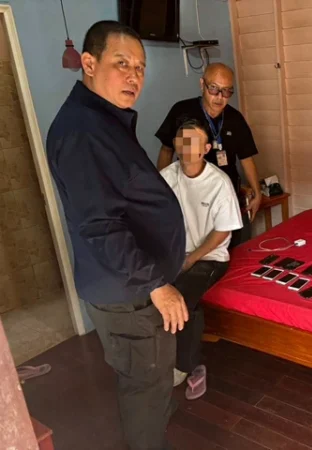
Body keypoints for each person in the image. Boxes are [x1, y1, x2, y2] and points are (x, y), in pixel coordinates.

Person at [46, 21, 188, 450]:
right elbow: (100, 226)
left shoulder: (102, 121)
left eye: (140, 68)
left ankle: (152, 428)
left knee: (151, 377)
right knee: (145, 383)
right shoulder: (83, 132)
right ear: (89, 63)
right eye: (121, 63)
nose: (134, 76)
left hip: (134, 287)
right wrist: (157, 284)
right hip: (130, 292)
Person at [160, 119, 243, 399]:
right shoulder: (166, 178)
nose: (186, 146)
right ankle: (156, 361)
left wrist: (190, 259)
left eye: (193, 141)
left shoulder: (219, 182)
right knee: (151, 292)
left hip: (210, 256)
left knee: (182, 298)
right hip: (174, 255)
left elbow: (223, 231)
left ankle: (186, 365)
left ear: (206, 148)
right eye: (181, 140)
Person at [155, 62, 261, 248]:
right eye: (214, 88)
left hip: (225, 194)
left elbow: (246, 158)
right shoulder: (182, 111)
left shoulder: (235, 118)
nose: (220, 97)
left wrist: (257, 192)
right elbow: (166, 150)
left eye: (226, 91)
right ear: (202, 84)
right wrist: (162, 189)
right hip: (189, 194)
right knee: (191, 244)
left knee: (229, 246)